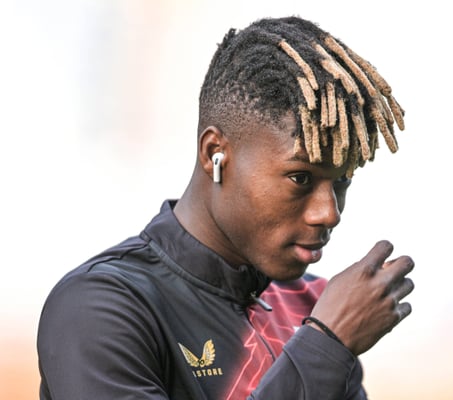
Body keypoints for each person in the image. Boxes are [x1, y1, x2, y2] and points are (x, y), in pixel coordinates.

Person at [37, 16, 414, 399]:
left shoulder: (313, 306)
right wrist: (325, 346)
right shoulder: (100, 307)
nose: (329, 213)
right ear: (214, 154)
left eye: (342, 181)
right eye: (300, 178)